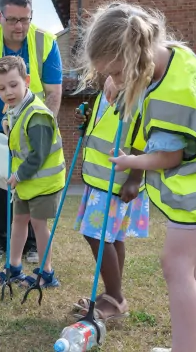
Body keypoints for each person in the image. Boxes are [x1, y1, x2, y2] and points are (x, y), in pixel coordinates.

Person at [78, 0, 196, 352]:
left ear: (134, 59)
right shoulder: (175, 56)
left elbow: (169, 156)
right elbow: (142, 93)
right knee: (193, 267)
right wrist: (121, 86)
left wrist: (130, 163)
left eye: (117, 73)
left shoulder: (167, 100)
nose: (114, 81)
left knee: (176, 267)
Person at [0, 0, 63, 263]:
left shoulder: (46, 41)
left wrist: (43, 126)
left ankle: (31, 244)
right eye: (12, 20)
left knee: (30, 182)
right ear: (0, 17)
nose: (19, 26)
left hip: (30, 124)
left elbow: (54, 92)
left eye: (25, 19)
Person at [71, 88, 150, 322]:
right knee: (112, 237)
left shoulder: (137, 95)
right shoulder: (105, 90)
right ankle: (111, 295)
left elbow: (141, 136)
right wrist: (86, 120)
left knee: (97, 236)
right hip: (100, 177)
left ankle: (116, 298)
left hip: (117, 180)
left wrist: (135, 177)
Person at [0, 56, 65, 289]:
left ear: (27, 81)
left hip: (43, 183)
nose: (8, 92)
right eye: (1, 88)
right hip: (26, 184)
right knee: (19, 221)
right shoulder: (16, 110)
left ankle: (46, 273)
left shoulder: (37, 115)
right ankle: (14, 267)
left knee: (38, 225)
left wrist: (18, 175)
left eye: (13, 85)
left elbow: (38, 155)